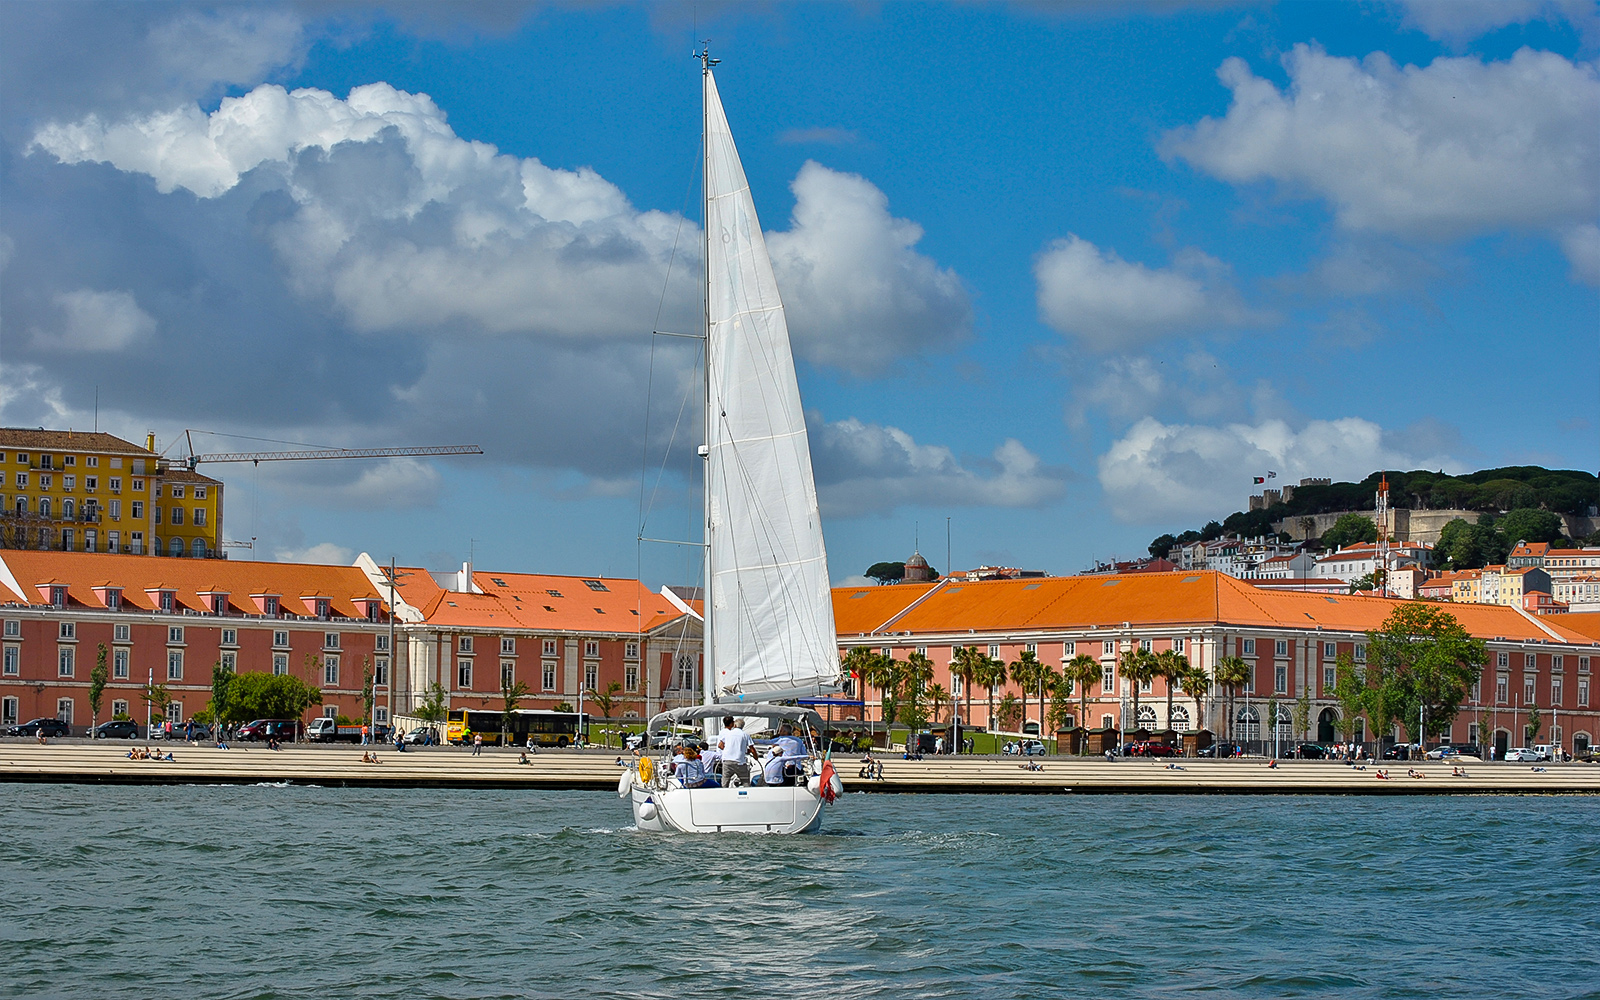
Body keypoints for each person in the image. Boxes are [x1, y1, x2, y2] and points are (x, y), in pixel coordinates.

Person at [717, 716, 752, 788]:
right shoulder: (745, 735)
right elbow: (752, 748)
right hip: (739, 762)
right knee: (745, 782)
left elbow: (720, 745)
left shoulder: (727, 733)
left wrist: (728, 750)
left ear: (735, 725)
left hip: (727, 761)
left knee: (725, 782)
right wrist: (756, 757)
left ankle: (723, 795)